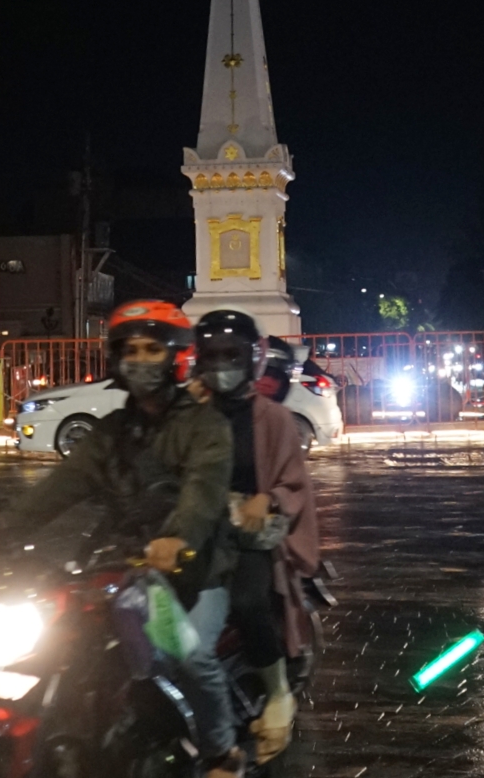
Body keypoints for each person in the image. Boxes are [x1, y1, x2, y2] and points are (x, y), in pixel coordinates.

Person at [0, 301, 243, 778]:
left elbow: (202, 493)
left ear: (177, 356)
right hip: (124, 564)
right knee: (70, 637)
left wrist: (177, 540)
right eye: (130, 349)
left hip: (194, 572)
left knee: (192, 655)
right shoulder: (112, 432)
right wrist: (8, 524)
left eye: (152, 348)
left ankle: (222, 754)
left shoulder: (206, 427)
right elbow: (65, 483)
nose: (140, 359)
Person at [189, 310, 321, 764]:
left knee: (247, 602)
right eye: (213, 355)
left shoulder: (274, 419)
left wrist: (265, 500)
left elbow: (294, 482)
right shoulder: (189, 414)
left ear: (252, 359)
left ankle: (278, 692)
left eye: (232, 355)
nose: (223, 364)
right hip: (197, 533)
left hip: (248, 537)